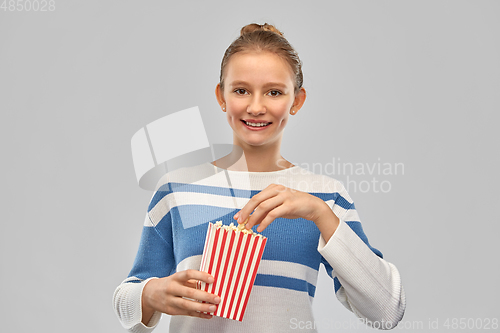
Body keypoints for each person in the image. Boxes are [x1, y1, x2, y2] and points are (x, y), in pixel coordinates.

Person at [113, 23, 406, 333]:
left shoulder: (325, 196)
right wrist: (150, 294)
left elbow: (387, 311)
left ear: (297, 100)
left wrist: (320, 213)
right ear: (221, 95)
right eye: (241, 90)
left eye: (274, 92)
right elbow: (126, 302)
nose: (256, 107)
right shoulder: (177, 189)